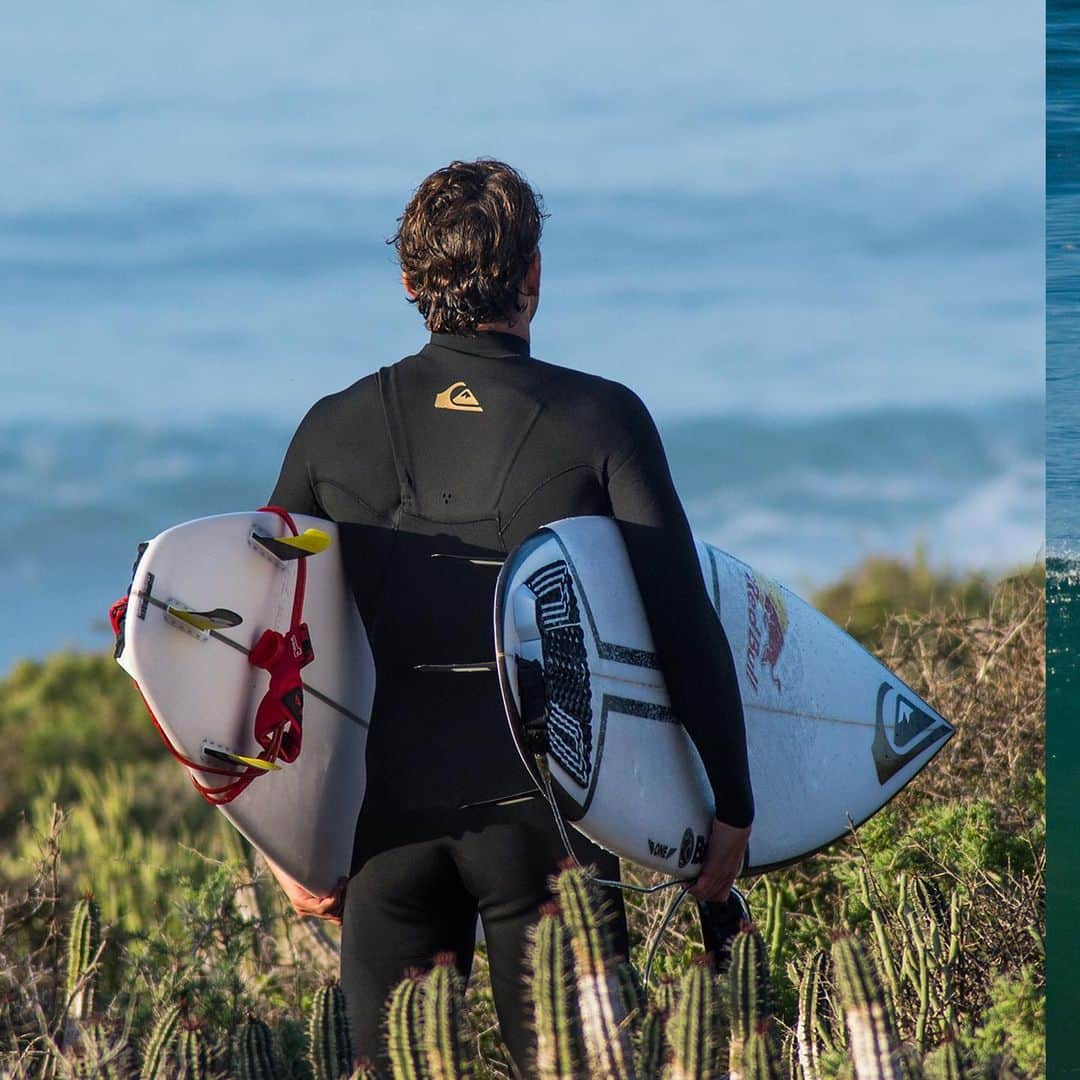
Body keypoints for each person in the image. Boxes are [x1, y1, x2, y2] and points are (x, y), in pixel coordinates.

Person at [265, 159, 753, 1074]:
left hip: (389, 834)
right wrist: (730, 807)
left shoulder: (331, 430)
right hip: (554, 831)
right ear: (533, 276)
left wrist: (284, 840)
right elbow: (682, 624)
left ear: (409, 285)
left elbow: (266, 654)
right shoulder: (599, 420)